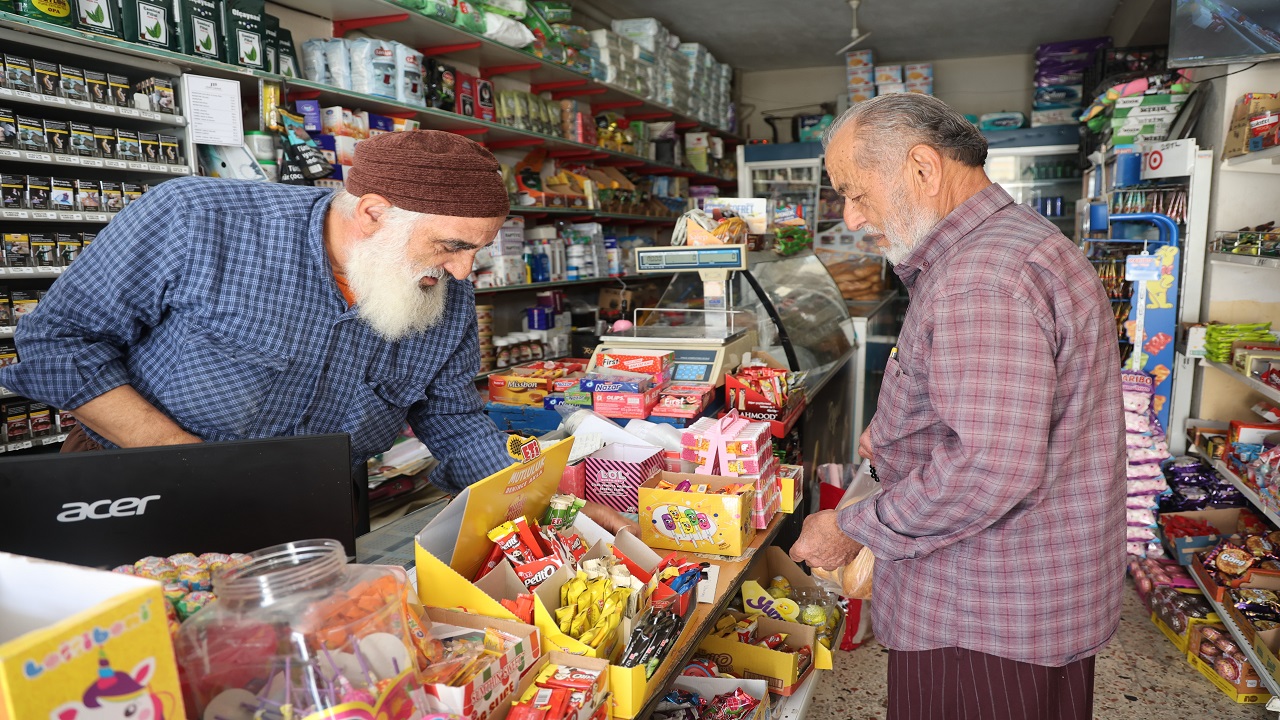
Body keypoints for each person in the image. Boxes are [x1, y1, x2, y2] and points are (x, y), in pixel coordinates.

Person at [789, 94, 1125, 719]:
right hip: (1023, 603)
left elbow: (989, 466)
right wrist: (896, 430)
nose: (853, 218)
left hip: (984, 615)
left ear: (921, 168)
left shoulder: (980, 278)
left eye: (857, 192)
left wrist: (848, 527)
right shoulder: (1010, 244)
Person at [0, 130, 518, 496]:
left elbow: (453, 418)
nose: (463, 272)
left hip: (311, 504)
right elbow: (58, 341)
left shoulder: (442, 292)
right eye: (451, 246)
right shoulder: (197, 218)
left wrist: (553, 510)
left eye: (478, 250)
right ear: (373, 213)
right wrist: (184, 458)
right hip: (132, 485)